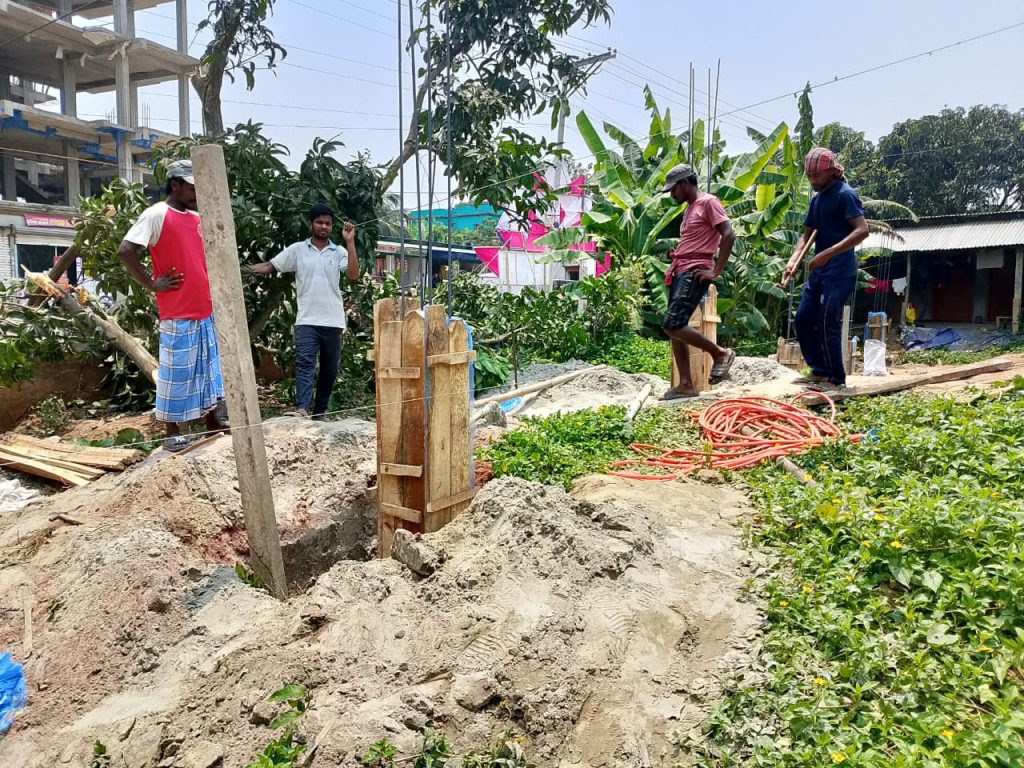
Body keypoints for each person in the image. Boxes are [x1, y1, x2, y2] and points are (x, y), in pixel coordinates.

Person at [117, 159, 227, 452]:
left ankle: (212, 421)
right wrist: (153, 284)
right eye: (191, 186)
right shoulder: (156, 214)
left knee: (207, 369)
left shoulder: (197, 218)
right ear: (175, 184)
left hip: (204, 307)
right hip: (178, 310)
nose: (195, 192)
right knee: (176, 373)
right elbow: (126, 250)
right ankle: (171, 430)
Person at [247, 203, 359, 418]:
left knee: (329, 369)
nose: (323, 226)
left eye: (327, 223)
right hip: (306, 320)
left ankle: (320, 413)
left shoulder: (339, 252)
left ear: (332, 226)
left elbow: (353, 274)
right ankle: (302, 409)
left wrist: (350, 241)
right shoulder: (298, 249)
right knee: (305, 363)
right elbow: (270, 266)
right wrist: (240, 269)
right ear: (311, 224)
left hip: (333, 321)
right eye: (319, 222)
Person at [783, 148, 869, 390]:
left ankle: (836, 378)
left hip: (839, 272)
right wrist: (793, 260)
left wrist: (828, 253)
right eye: (809, 176)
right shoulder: (817, 200)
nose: (812, 181)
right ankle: (819, 371)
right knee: (802, 319)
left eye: (816, 176)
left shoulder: (846, 195)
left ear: (831, 172)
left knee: (826, 321)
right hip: (819, 271)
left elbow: (862, 230)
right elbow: (807, 234)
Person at [660, 163, 737, 399]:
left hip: (695, 270)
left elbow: (728, 234)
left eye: (673, 189)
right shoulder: (690, 209)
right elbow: (696, 238)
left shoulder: (708, 202)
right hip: (680, 269)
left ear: (685, 183)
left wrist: (715, 271)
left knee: (672, 324)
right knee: (675, 328)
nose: (672, 194)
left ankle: (720, 353)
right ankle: (686, 384)